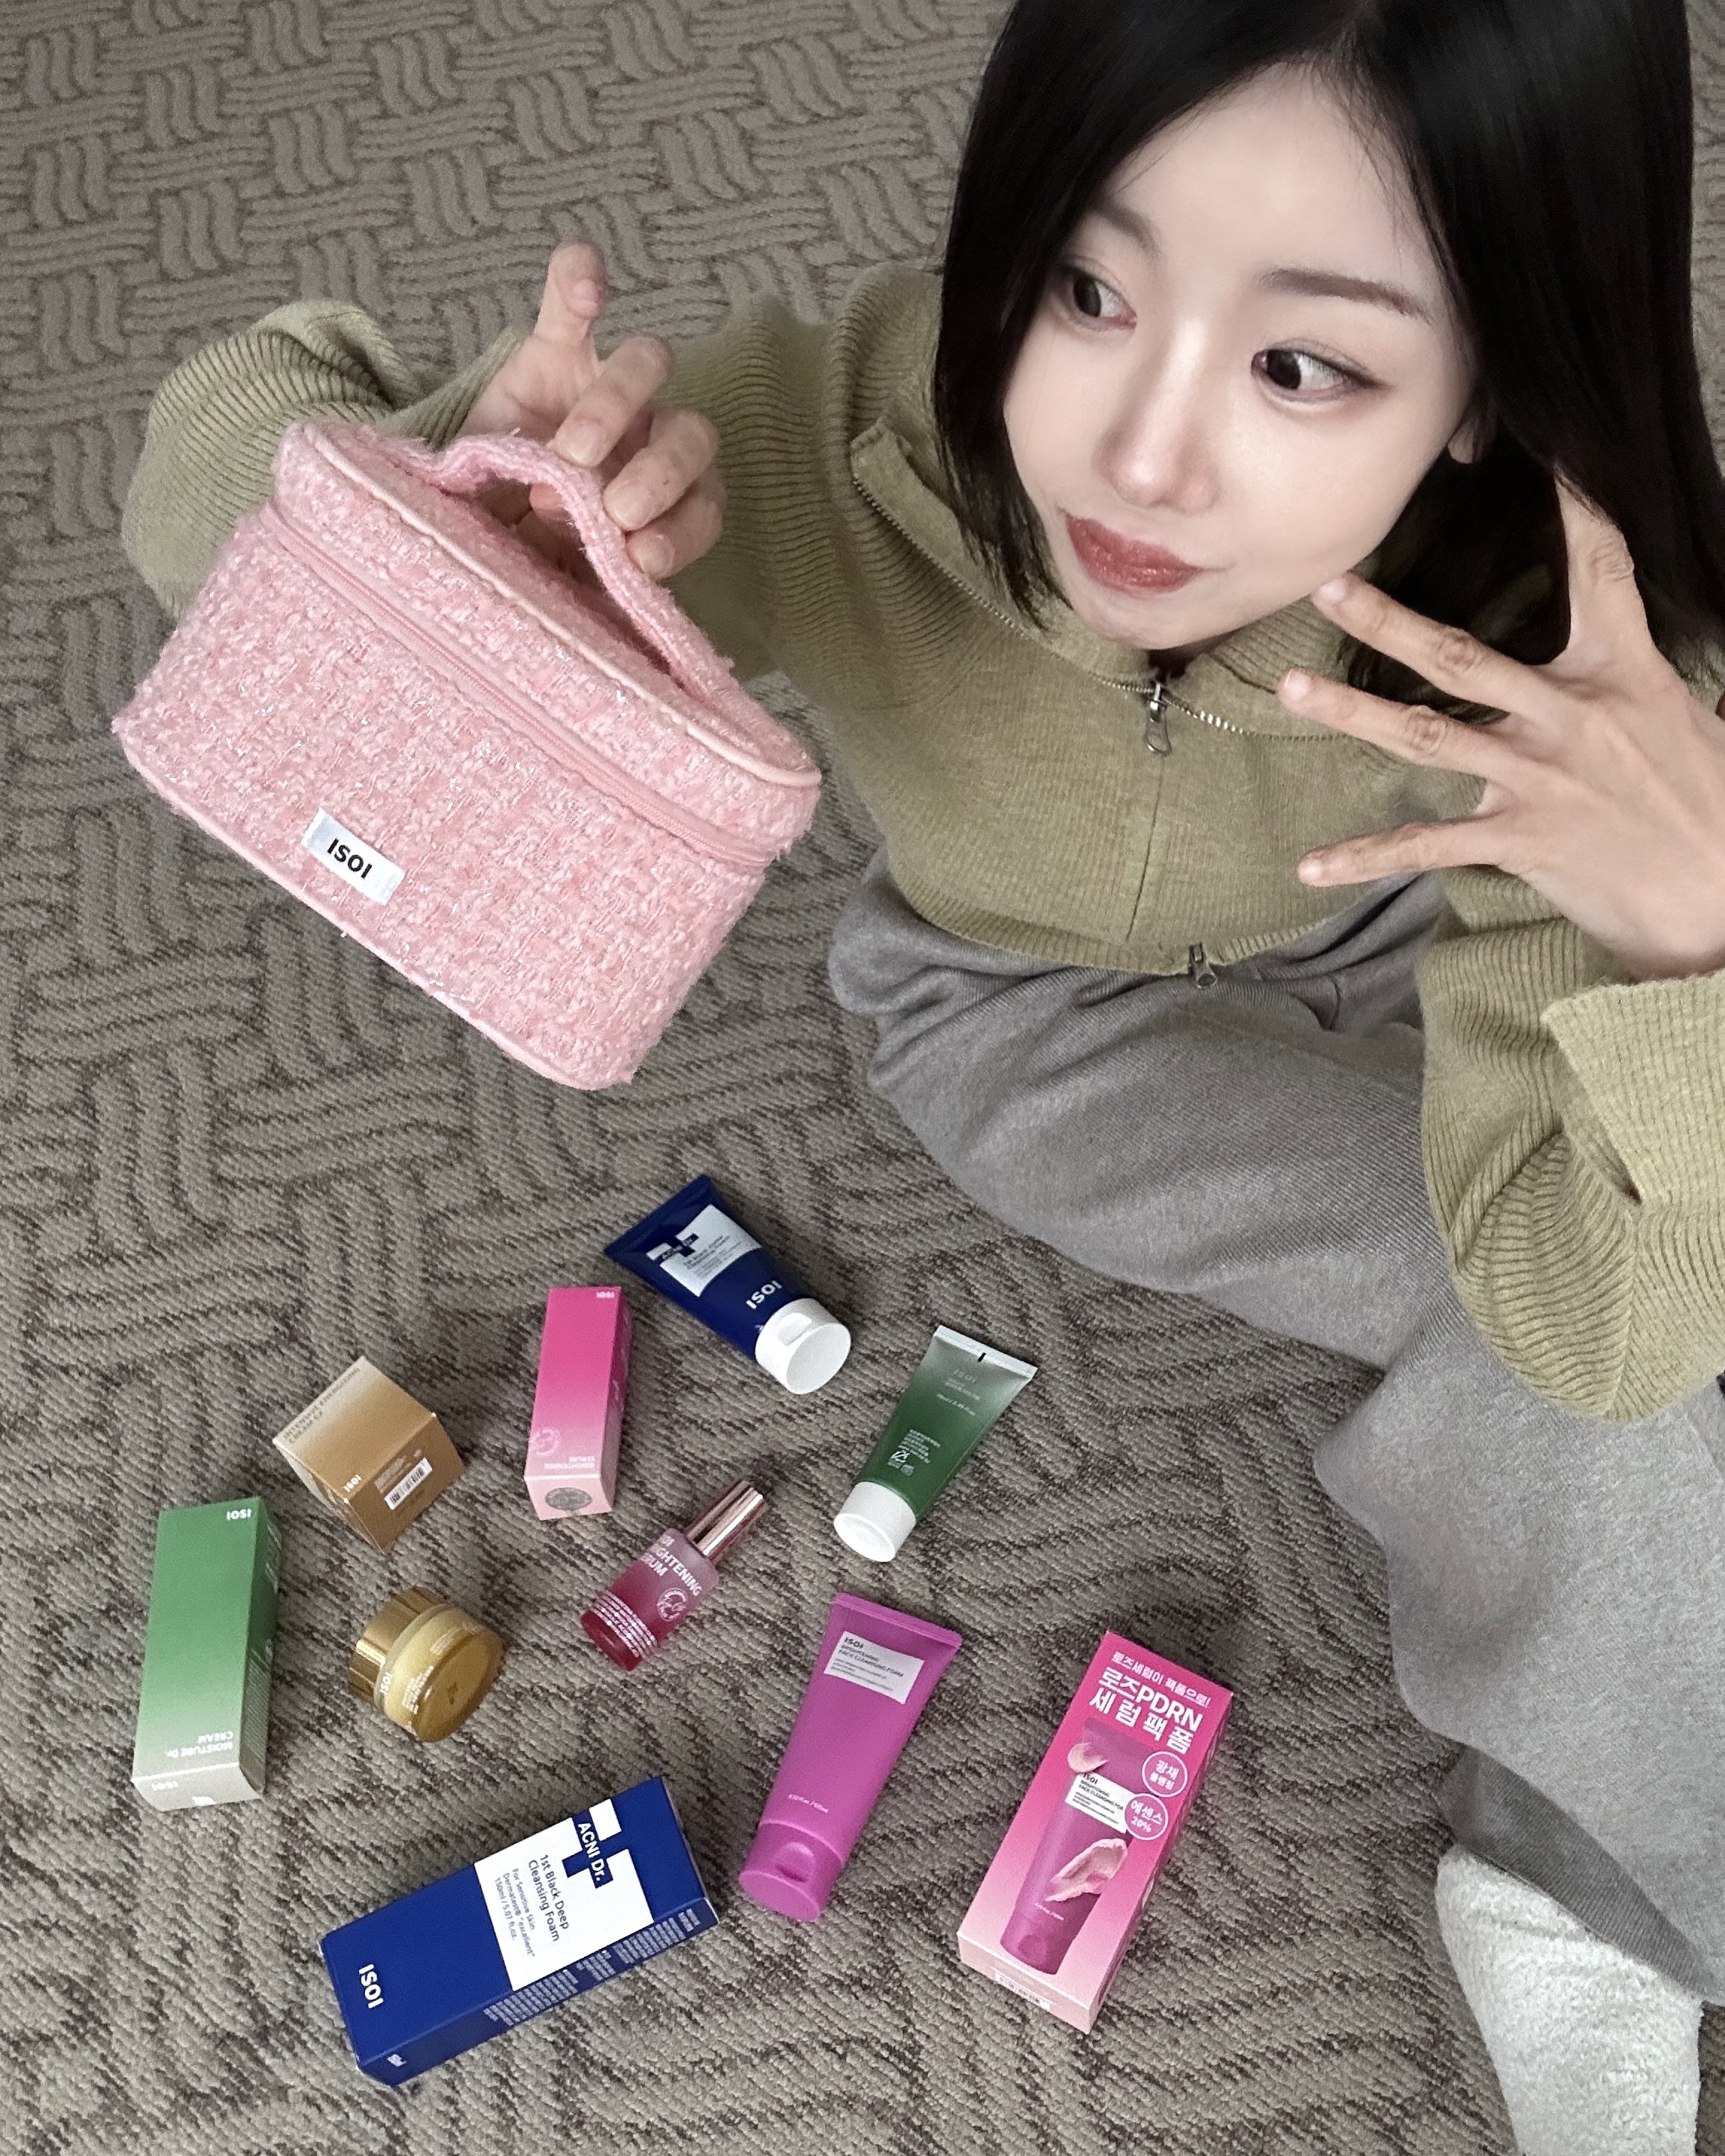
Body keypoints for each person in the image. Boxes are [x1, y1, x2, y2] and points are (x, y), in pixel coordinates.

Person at [119, 0, 1725, 2146]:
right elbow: (207, 473)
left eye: (1300, 364)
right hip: (1035, 1013)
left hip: (1451, 934)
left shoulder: (1577, 650)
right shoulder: (840, 433)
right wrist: (442, 510)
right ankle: (1597, 1887)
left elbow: (1611, 1307)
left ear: (1491, 385)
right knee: (1542, 1335)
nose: (1138, 459)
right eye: (1085, 286)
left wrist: (1685, 950)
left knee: (1643, 1261)